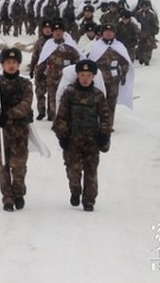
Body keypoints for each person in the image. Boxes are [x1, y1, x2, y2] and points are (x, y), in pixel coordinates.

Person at [52, 59, 111, 212]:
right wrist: (62, 136)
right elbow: (62, 116)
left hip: (92, 140)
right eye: (82, 75)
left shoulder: (98, 95)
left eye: (88, 75)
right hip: (73, 140)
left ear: (93, 77)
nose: (85, 78)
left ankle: (89, 201)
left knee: (91, 171)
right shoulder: (70, 93)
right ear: (77, 75)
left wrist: (104, 134)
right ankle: (75, 191)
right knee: (73, 169)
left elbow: (105, 116)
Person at [0, 47, 34, 212]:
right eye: (8, 62)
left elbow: (26, 105)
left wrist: (10, 115)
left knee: (19, 166)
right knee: (3, 165)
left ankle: (18, 193)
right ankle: (7, 197)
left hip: (19, 132)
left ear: (19, 64)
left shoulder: (26, 84)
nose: (11, 65)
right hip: (0, 132)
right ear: (2, 64)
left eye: (14, 62)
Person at [85, 22, 134, 131]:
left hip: (113, 80)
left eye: (110, 32)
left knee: (111, 103)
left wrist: (123, 73)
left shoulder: (119, 47)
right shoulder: (95, 47)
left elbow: (125, 63)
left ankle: (108, 125)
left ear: (114, 33)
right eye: (106, 32)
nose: (108, 34)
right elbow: (87, 61)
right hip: (98, 79)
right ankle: (96, 123)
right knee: (97, 102)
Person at [34, 20, 80, 121]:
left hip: (67, 80)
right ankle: (54, 119)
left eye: (60, 30)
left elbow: (77, 61)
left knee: (66, 100)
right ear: (52, 32)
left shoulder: (70, 47)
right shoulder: (48, 45)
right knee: (53, 100)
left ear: (63, 32)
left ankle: (64, 119)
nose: (58, 33)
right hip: (52, 79)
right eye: (55, 31)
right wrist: (38, 75)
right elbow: (42, 62)